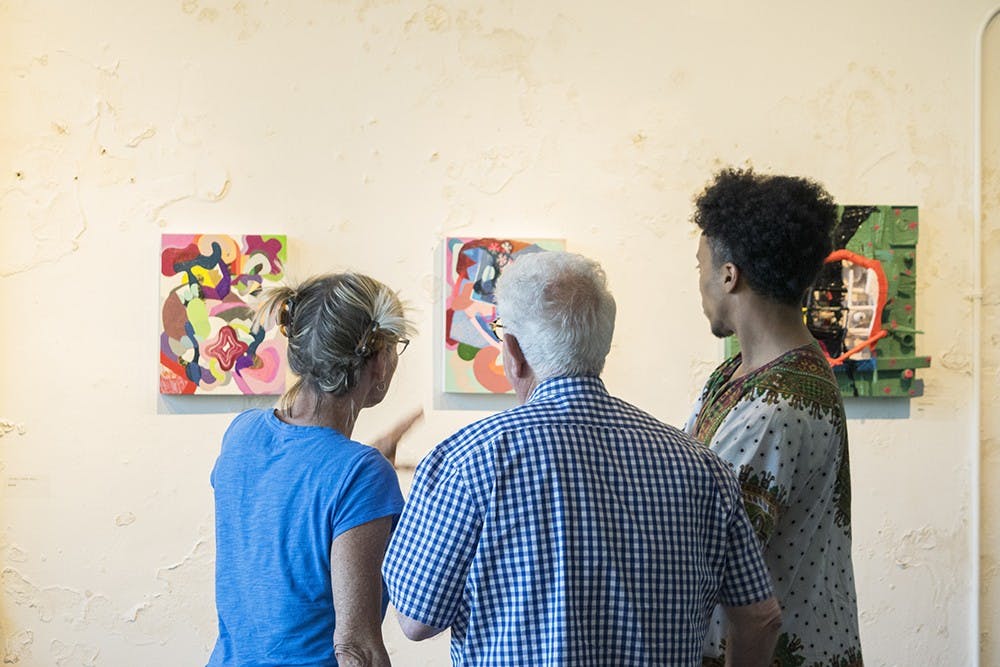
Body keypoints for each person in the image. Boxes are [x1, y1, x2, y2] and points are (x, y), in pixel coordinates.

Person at [383, 251, 782, 666]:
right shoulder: (703, 467)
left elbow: (416, 620)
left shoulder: (468, 460)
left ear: (513, 350)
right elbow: (760, 617)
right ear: (601, 343)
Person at [686, 168, 864, 666]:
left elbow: (704, 552)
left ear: (728, 275)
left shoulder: (776, 404)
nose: (699, 283)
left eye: (700, 266)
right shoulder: (735, 375)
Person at [207, 273, 415, 667]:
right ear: (379, 358)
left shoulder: (242, 433)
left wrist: (364, 482)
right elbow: (357, 649)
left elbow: (289, 507)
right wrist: (365, 478)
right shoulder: (360, 473)